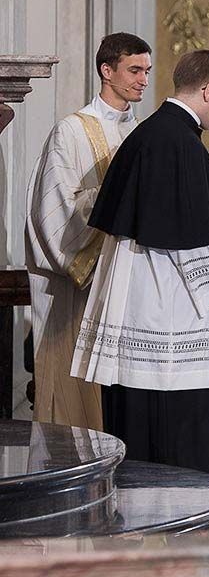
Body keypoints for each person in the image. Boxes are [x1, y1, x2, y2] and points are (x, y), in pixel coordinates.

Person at [71, 50, 209, 479]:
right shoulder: (179, 145)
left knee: (137, 427)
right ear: (208, 89)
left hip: (137, 298)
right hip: (163, 311)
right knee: (177, 436)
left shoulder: (151, 133)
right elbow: (189, 239)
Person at [25, 33, 151, 430]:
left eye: (147, 71)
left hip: (133, 291)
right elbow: (54, 210)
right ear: (106, 70)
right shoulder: (72, 131)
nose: (144, 80)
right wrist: (121, 197)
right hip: (81, 289)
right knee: (78, 407)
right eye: (134, 70)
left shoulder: (143, 133)